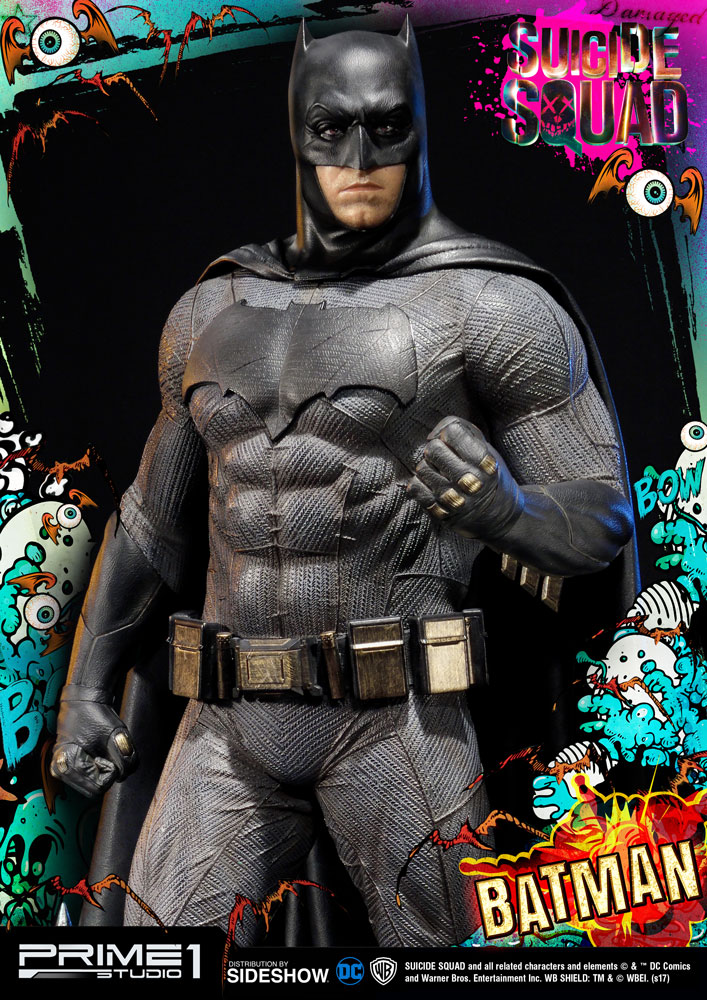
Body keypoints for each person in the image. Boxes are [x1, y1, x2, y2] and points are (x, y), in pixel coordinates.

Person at [50, 20, 634, 945]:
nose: (359, 159)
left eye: (385, 127)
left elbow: (602, 513)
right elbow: (153, 525)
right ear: (297, 131)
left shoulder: (491, 306)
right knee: (157, 956)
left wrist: (509, 510)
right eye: (332, 129)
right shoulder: (210, 308)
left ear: (419, 131)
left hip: (398, 727)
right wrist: (86, 688)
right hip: (226, 725)